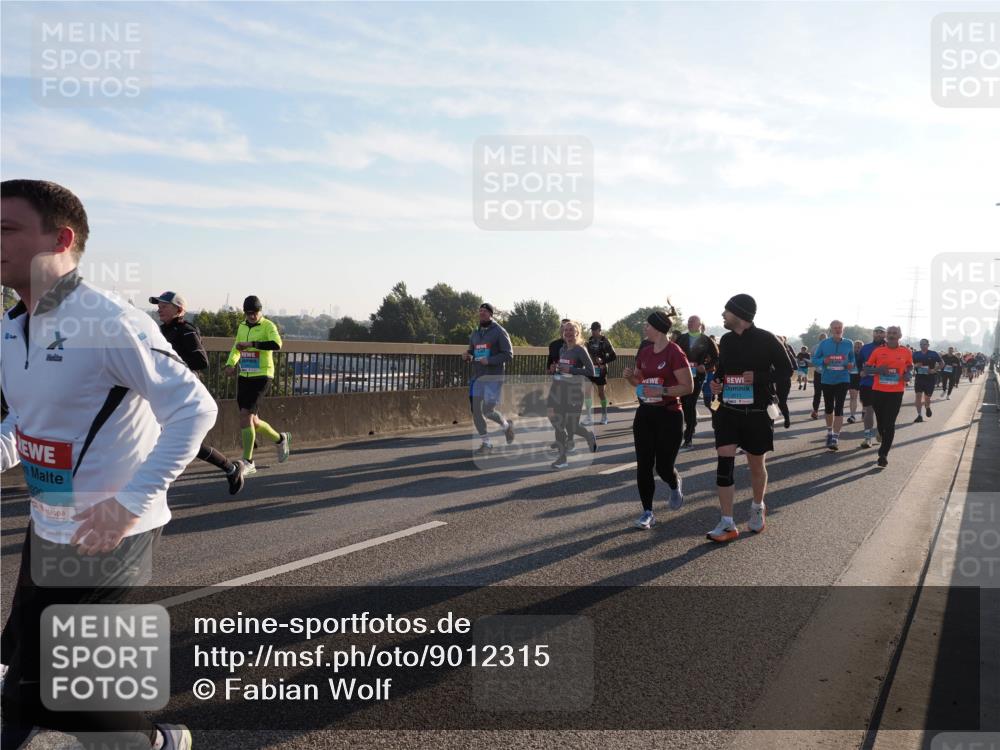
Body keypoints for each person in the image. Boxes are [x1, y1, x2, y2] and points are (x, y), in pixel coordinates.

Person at [0, 179, 213, 750]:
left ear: (61, 239)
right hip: (49, 521)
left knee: (60, 689)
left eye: (7, 229)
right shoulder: (11, 327)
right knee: (17, 670)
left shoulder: (109, 321)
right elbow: (26, 422)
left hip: (110, 531)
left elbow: (194, 408)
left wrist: (130, 503)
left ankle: (159, 743)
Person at [707, 294, 792, 542]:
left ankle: (757, 506)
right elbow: (722, 371)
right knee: (724, 464)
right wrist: (717, 383)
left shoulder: (767, 339)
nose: (723, 315)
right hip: (728, 411)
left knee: (756, 465)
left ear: (740, 315)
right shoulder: (726, 340)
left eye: (726, 311)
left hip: (757, 413)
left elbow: (787, 371)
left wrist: (759, 377)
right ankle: (727, 523)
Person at [151, 291, 244, 495]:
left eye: (164, 306)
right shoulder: (159, 331)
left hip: (185, 394)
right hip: (164, 392)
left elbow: (201, 361)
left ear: (179, 310)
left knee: (180, 442)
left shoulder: (186, 331)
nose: (159, 309)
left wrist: (172, 362)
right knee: (178, 441)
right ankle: (231, 468)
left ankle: (230, 468)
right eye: (158, 306)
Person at [622, 309, 692, 529]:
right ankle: (647, 512)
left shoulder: (675, 352)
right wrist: (630, 378)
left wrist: (662, 391)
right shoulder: (645, 352)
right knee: (644, 465)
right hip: (645, 413)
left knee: (663, 467)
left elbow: (688, 387)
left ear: (659, 328)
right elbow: (639, 383)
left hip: (669, 414)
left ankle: (674, 483)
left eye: (648, 325)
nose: (645, 328)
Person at [223, 296, 290, 475]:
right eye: (248, 313)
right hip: (245, 374)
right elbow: (237, 348)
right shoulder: (242, 326)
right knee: (253, 420)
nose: (252, 316)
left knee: (245, 415)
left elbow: (277, 344)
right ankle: (280, 439)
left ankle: (248, 461)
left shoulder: (268, 325)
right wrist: (230, 363)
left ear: (260, 311)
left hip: (262, 375)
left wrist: (252, 344)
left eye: (255, 313)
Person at [464, 303, 515, 454]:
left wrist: (490, 360)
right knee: (476, 410)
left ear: (491, 314)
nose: (482, 313)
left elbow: (508, 354)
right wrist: (467, 355)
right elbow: (472, 351)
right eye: (480, 311)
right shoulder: (475, 332)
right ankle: (486, 443)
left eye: (485, 311)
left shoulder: (499, 331)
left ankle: (506, 426)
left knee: (487, 410)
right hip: (478, 377)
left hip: (493, 377)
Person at [547, 321, 597, 469]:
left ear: (577, 333)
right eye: (566, 330)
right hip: (560, 389)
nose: (568, 332)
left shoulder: (580, 350)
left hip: (574, 392)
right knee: (558, 424)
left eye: (571, 330)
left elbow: (591, 371)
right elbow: (563, 370)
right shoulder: (562, 349)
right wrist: (556, 369)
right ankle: (562, 459)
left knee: (572, 426)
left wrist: (571, 370)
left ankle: (588, 435)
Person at [863, 325, 914, 468]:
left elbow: (910, 365)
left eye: (894, 333)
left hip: (896, 392)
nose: (891, 335)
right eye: (890, 333)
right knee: (881, 423)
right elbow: (866, 368)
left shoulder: (906, 351)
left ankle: (883, 454)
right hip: (878, 391)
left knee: (890, 424)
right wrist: (879, 370)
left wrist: (908, 373)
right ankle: (880, 433)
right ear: (886, 336)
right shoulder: (878, 351)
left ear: (900, 335)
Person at [676, 315, 720, 449]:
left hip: (698, 377)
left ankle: (688, 437)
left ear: (699, 325)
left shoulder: (706, 340)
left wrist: (705, 367)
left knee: (693, 403)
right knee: (685, 404)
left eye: (692, 322)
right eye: (688, 321)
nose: (689, 323)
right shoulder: (681, 338)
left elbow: (716, 357)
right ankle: (692, 424)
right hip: (682, 376)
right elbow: (673, 354)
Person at [811, 321, 856, 450]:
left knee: (839, 407)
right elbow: (814, 359)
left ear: (843, 329)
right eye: (835, 328)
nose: (837, 330)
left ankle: (835, 437)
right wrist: (823, 361)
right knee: (829, 408)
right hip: (827, 380)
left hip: (843, 379)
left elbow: (852, 358)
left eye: (839, 328)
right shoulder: (824, 343)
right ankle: (830, 432)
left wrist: (851, 364)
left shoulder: (849, 343)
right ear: (831, 330)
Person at [857, 326, 886, 448]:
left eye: (881, 332)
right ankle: (867, 438)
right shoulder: (865, 348)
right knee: (869, 410)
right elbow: (859, 362)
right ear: (873, 334)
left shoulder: (890, 348)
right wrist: (861, 371)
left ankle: (880, 430)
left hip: (884, 384)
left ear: (885, 334)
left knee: (882, 411)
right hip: (867, 383)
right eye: (876, 332)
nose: (878, 334)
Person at [584, 321, 617, 425]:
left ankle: (604, 416)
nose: (593, 332)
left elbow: (613, 356)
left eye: (595, 330)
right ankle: (589, 416)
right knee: (587, 392)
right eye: (592, 330)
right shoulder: (590, 340)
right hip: (590, 369)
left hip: (601, 370)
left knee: (601, 393)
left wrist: (603, 361)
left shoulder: (605, 341)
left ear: (599, 330)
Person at [911, 338, 943, 422]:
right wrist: (915, 366)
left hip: (930, 378)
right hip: (919, 377)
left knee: (927, 397)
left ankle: (927, 407)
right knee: (918, 396)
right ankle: (919, 415)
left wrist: (934, 370)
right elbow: (910, 364)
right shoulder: (915, 354)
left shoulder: (933, 354)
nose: (922, 346)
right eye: (921, 344)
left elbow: (942, 363)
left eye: (924, 344)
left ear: (928, 345)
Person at [775, 335, 796, 429]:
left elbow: (794, 366)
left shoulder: (787, 352)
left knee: (781, 401)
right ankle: (769, 422)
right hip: (770, 381)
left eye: (779, 341)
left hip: (783, 381)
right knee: (767, 402)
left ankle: (786, 417)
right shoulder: (767, 351)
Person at [810, 332, 827, 419]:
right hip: (820, 373)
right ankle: (816, 411)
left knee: (823, 393)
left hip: (826, 373)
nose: (823, 340)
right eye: (822, 338)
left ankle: (823, 411)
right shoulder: (815, 348)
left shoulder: (829, 347)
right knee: (820, 393)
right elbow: (812, 360)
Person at [847, 340, 863, 424]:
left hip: (863, 377)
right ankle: (852, 416)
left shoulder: (865, 356)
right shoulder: (850, 355)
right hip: (852, 376)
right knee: (853, 397)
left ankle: (864, 411)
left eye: (859, 347)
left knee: (863, 398)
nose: (857, 349)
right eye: (855, 347)